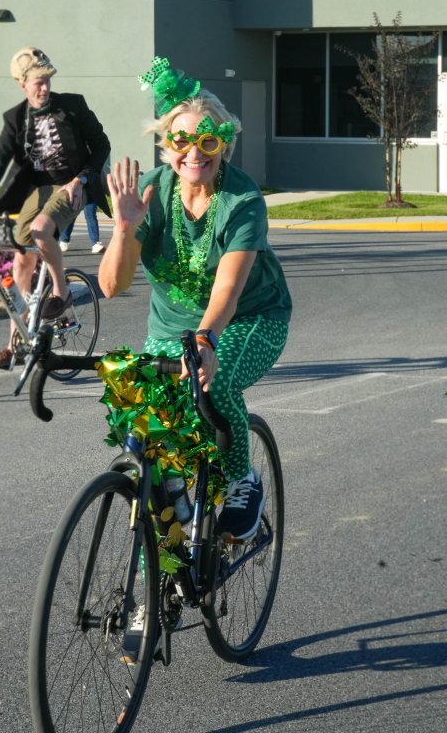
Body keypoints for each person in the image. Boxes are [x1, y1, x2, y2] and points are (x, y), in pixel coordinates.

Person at [98, 56, 292, 541]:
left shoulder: (242, 200)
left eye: (208, 140)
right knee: (138, 419)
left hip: (250, 319)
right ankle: (167, 553)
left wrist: (206, 337)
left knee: (212, 382)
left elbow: (228, 287)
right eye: (181, 140)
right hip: (170, 331)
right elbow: (111, 286)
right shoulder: (150, 192)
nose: (194, 152)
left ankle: (242, 482)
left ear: (224, 143)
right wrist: (123, 231)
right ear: (166, 145)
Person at [0, 46, 110, 369]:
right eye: (37, 82)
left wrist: (82, 179)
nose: (44, 87)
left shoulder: (73, 106)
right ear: (22, 84)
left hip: (72, 185)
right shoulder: (16, 119)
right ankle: (16, 344)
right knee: (21, 260)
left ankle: (62, 291)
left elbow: (101, 145)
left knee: (42, 229)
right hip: (38, 189)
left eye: (47, 80)